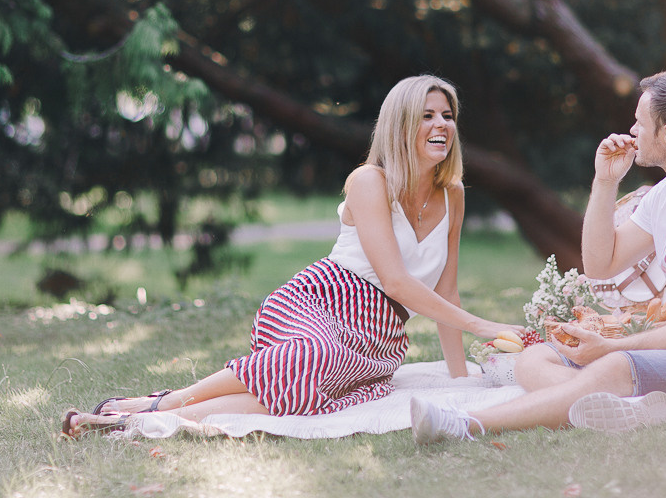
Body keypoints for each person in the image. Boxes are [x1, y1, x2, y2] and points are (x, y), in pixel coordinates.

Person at [62, 75, 523, 437]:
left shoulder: (453, 195)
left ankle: (133, 420)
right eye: (426, 115)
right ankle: (163, 402)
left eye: (447, 114)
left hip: (379, 335)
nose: (441, 124)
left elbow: (446, 289)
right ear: (401, 124)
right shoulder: (370, 182)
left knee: (297, 396)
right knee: (311, 358)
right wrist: (486, 326)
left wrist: (459, 382)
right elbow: (398, 281)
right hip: (321, 301)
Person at [411, 70, 666, 442]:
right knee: (533, 360)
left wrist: (613, 349)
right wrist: (606, 180)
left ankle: (467, 424)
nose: (633, 131)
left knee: (613, 365)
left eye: (640, 122)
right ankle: (626, 405)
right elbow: (600, 264)